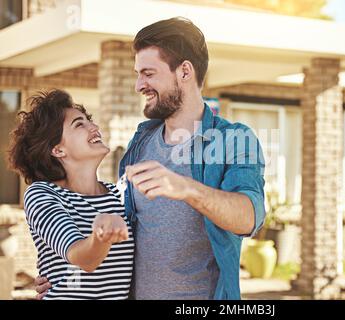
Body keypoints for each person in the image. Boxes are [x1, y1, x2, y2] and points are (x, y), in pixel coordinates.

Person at [35, 16, 266, 300]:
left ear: (184, 71)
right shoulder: (141, 143)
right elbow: (117, 236)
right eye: (137, 74)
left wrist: (186, 188)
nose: (138, 85)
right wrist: (64, 276)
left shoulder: (234, 139)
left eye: (148, 73)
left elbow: (249, 217)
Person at [9, 90, 134, 300]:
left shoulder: (121, 196)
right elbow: (80, 257)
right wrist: (100, 236)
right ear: (57, 150)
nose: (94, 128)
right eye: (79, 124)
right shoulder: (43, 195)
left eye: (89, 121)